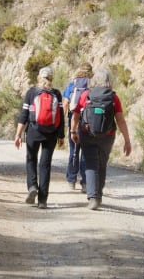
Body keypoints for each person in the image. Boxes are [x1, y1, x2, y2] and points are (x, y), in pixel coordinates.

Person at [70, 67, 132, 210]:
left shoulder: (86, 95)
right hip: (107, 136)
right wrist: (127, 140)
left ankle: (93, 198)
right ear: (109, 81)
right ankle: (98, 194)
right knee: (102, 164)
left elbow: (76, 116)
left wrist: (73, 131)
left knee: (91, 164)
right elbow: (120, 120)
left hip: (87, 133)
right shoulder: (113, 97)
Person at [14, 66, 65, 209]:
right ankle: (43, 200)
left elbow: (24, 115)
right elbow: (60, 116)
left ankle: (32, 187)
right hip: (51, 134)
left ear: (38, 78)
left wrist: (18, 134)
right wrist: (61, 136)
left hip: (33, 132)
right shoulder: (56, 94)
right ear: (51, 78)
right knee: (45, 165)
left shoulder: (31, 93)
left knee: (31, 159)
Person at [62, 63, 93, 191]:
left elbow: (65, 103)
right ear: (91, 72)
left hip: (72, 119)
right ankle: (85, 183)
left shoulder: (72, 84)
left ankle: (71, 180)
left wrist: (64, 122)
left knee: (73, 151)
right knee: (86, 152)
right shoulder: (92, 85)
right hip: (88, 121)